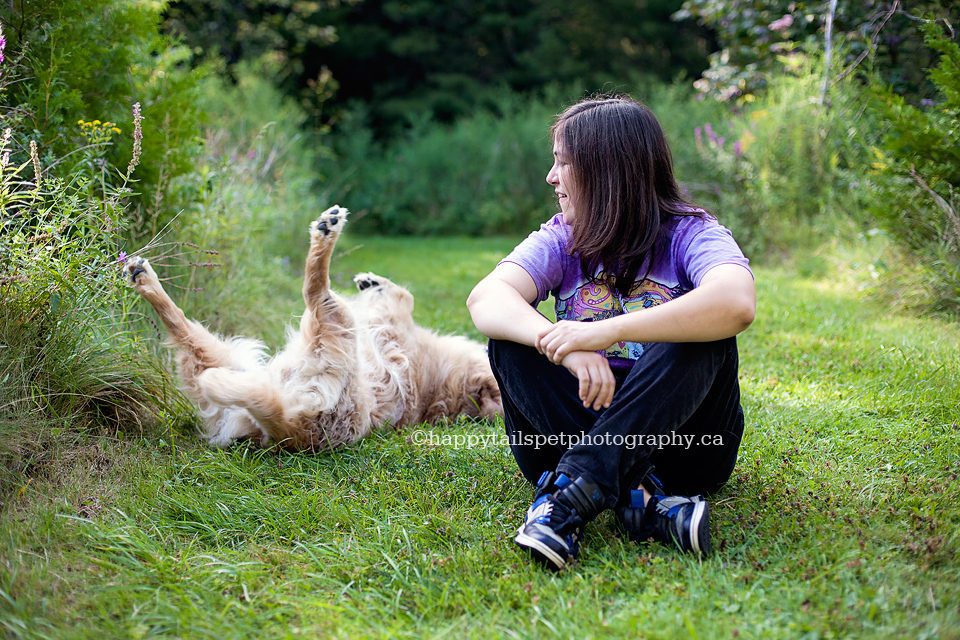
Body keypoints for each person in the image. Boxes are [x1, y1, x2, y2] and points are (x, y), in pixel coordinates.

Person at [466, 95, 756, 572]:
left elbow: (735, 303)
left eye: (562, 164)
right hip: (567, 427)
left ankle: (572, 490)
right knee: (512, 341)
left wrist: (604, 333)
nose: (551, 178)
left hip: (686, 448)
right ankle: (639, 502)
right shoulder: (562, 237)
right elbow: (487, 299)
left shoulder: (691, 233)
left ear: (605, 172)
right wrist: (561, 346)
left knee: (705, 334)